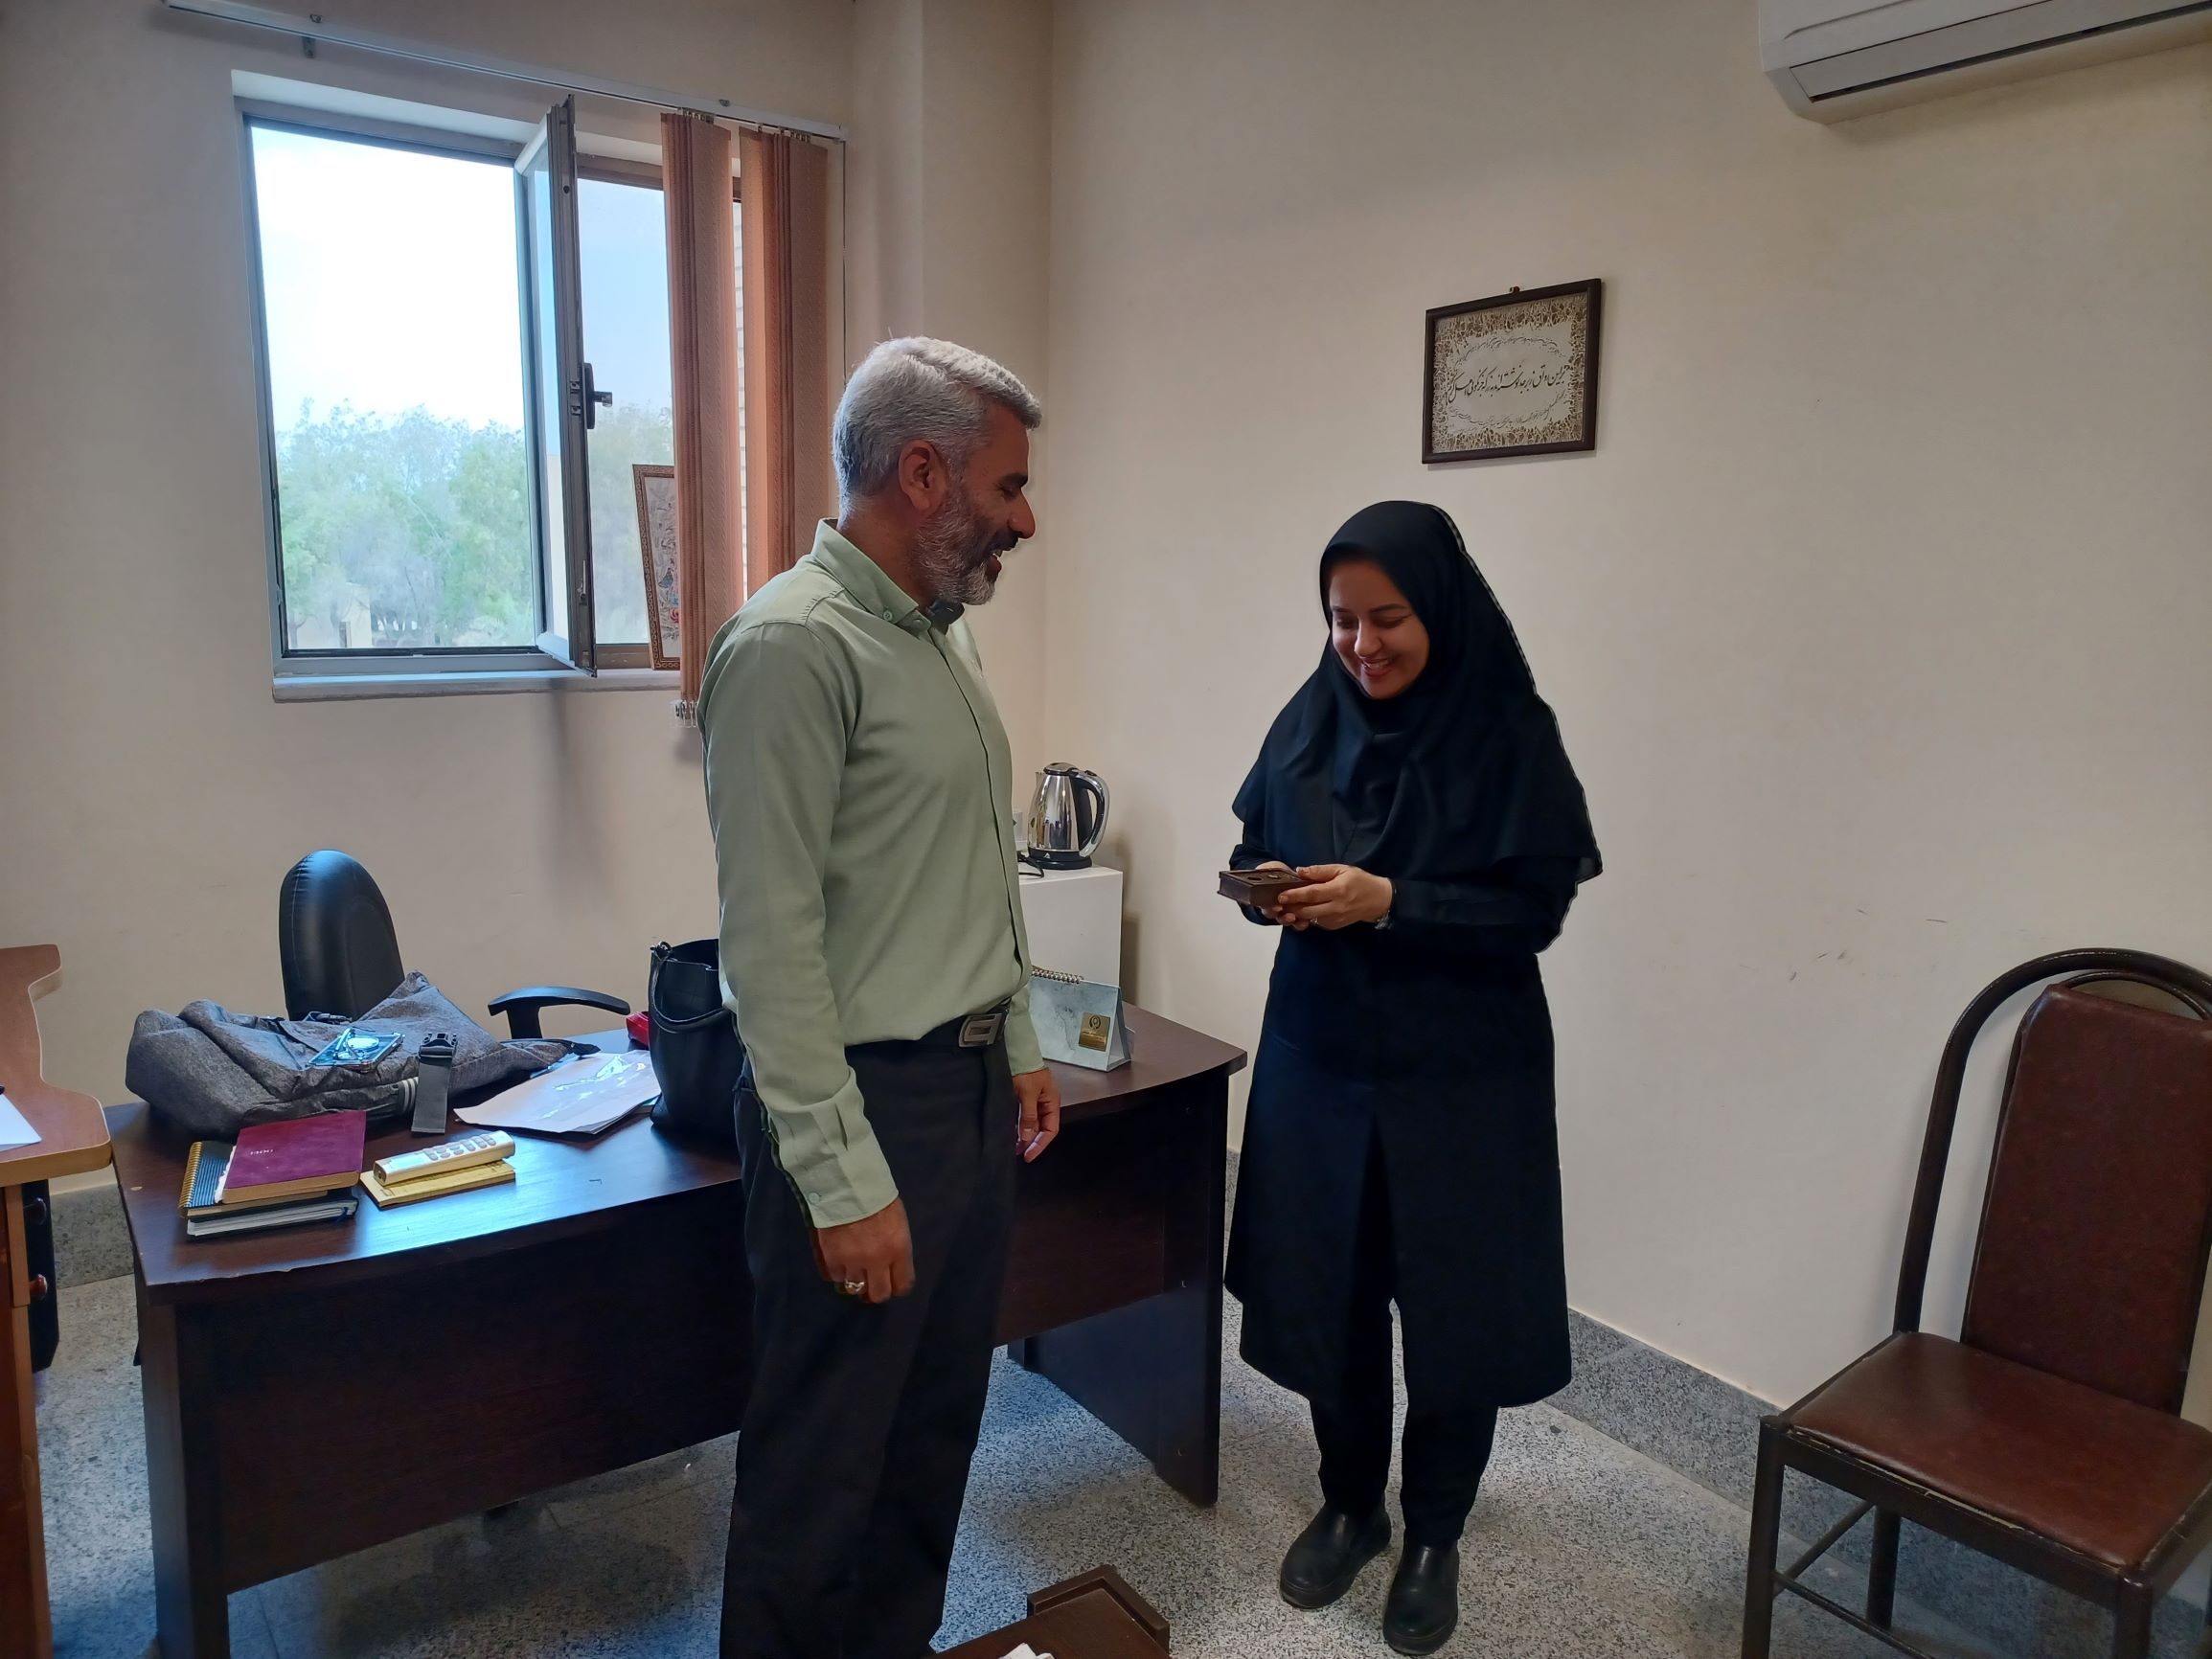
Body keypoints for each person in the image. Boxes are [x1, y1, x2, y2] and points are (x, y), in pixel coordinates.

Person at [700, 337, 1063, 1659]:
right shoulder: (791, 647)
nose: (1025, 518)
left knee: (927, 1442)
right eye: (1008, 486)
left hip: (961, 1095)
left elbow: (972, 865)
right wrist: (842, 1179)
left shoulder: (940, 636)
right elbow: (770, 944)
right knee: (823, 1469)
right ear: (922, 473)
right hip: (860, 1106)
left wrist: (1015, 1035)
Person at [1223, 500, 1601, 1655]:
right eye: (1340, 618)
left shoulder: (1507, 731)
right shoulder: (1310, 717)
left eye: (1385, 618)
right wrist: (1262, 888)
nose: (1360, 644)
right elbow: (1248, 839)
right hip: (1321, 1060)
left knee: (1455, 1308)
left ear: (1438, 607)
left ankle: (1434, 1531)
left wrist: (1393, 900)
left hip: (1462, 1074)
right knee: (1328, 1294)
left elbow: (1532, 909)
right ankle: (1350, 1503)